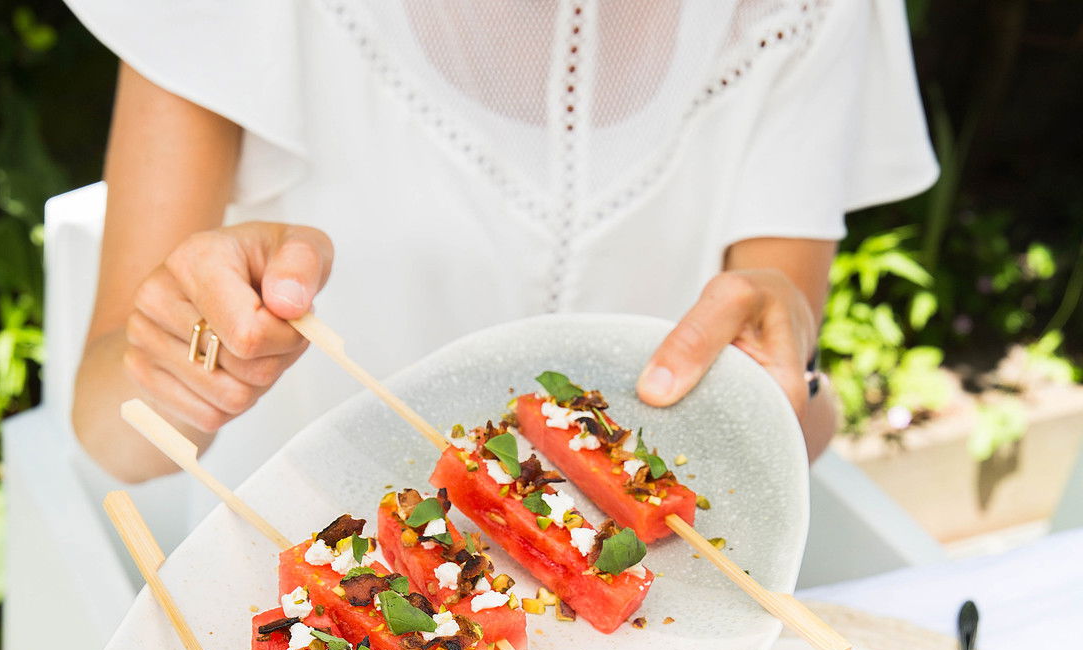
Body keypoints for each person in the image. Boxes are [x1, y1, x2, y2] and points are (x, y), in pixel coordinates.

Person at [65, 0, 937, 486]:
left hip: (642, 628)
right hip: (315, 620)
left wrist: (787, 377)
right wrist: (190, 355)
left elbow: (794, 425)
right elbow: (118, 441)